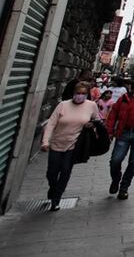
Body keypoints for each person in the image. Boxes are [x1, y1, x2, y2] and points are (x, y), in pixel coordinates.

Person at [41, 81, 100, 210]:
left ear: (87, 94)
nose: (80, 96)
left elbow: (97, 121)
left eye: (83, 93)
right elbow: (51, 124)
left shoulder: (92, 106)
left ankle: (56, 199)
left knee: (66, 171)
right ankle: (53, 188)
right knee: (52, 172)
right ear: (73, 93)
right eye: (78, 93)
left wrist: (92, 126)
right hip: (57, 144)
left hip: (74, 145)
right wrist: (46, 142)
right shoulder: (62, 105)